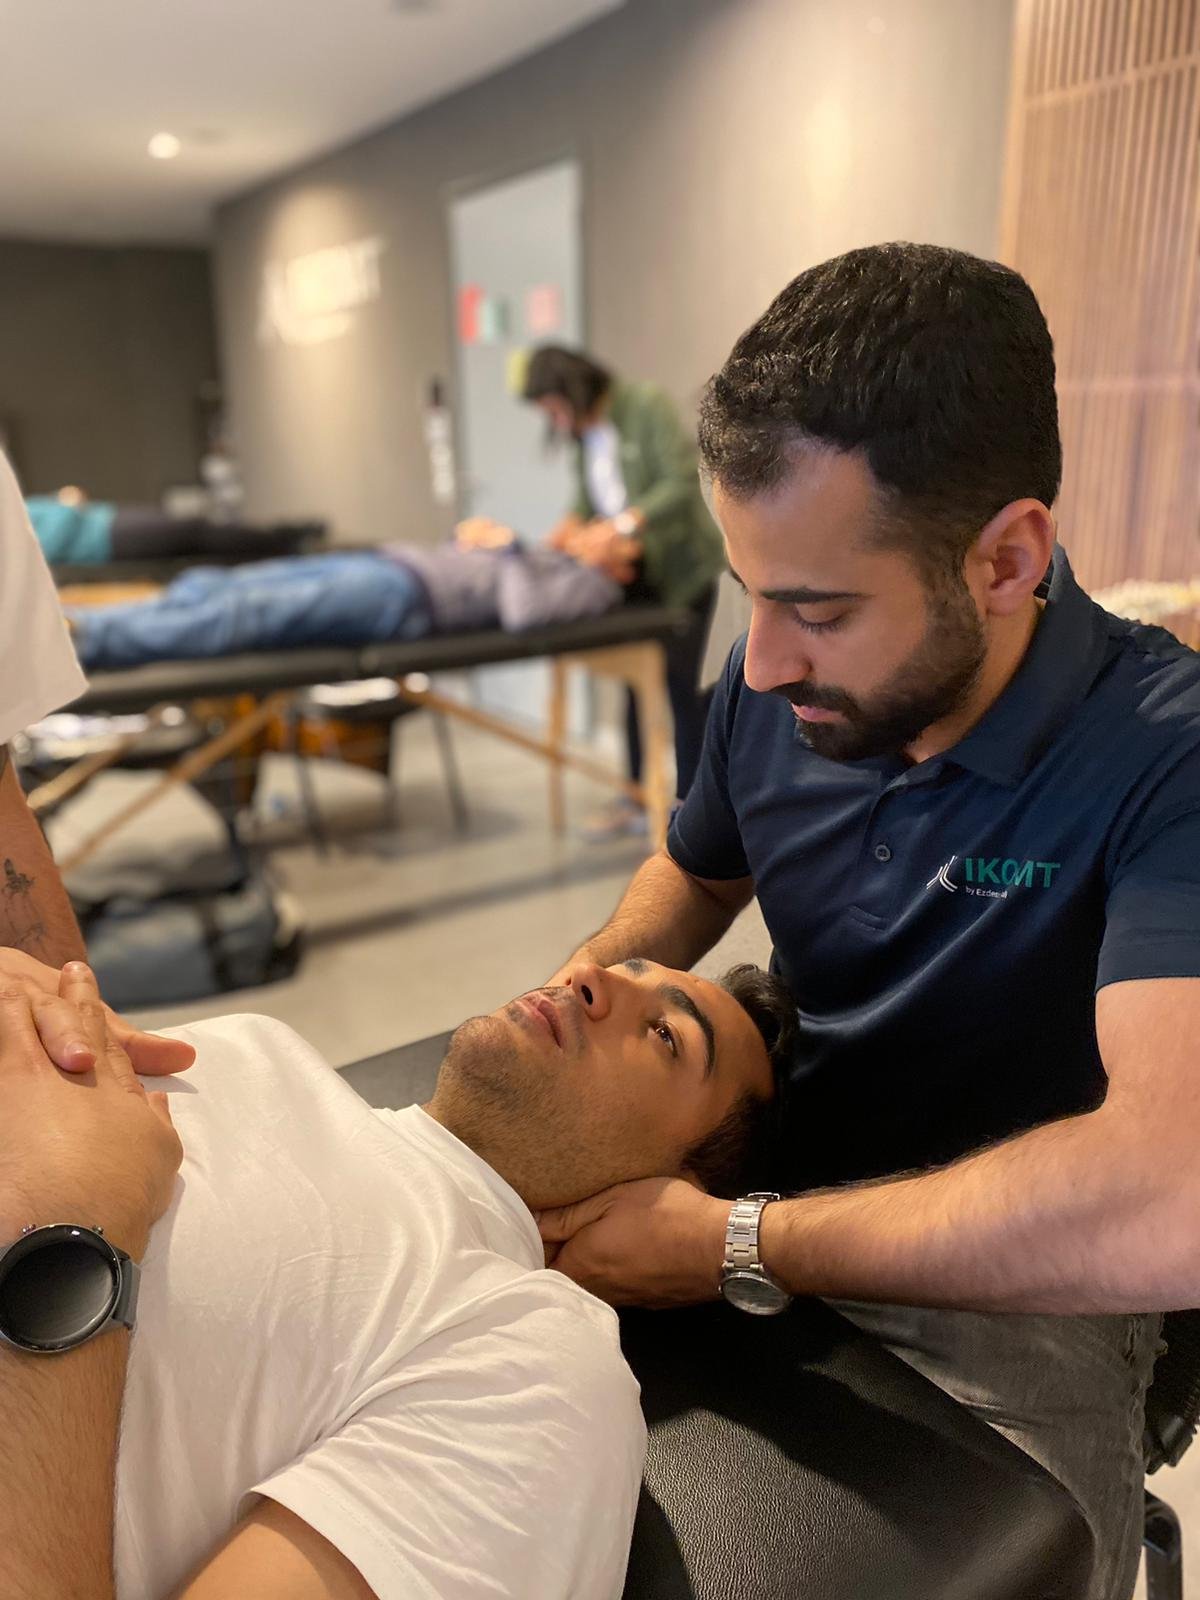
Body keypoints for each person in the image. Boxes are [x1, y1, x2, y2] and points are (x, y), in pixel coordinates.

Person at [534, 243, 1200, 1600]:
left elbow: (1168, 1195)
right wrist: (582, 988)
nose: (763, 664)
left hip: (1027, 1267)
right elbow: (701, 872)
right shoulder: (780, 682)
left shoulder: (1166, 758)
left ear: (1006, 558)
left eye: (819, 610)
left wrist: (732, 1247)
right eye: (750, 595)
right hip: (775, 1162)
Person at [0, 952, 794, 1600]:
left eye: (664, 1036)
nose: (590, 975)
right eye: (623, 968)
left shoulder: (532, 1363)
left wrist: (70, 1234)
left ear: (671, 1198)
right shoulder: (259, 1047)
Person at [519, 346, 726, 834]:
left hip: (682, 574)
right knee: (635, 687)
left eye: (553, 407)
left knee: (683, 690)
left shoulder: (644, 405)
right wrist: (563, 533)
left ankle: (690, 810)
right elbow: (584, 500)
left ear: (571, 388)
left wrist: (621, 526)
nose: (553, 420)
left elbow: (679, 483)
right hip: (637, 580)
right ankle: (634, 797)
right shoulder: (583, 437)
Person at [65, 535, 621, 671]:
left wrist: (509, 548)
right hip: (390, 564)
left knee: (248, 613)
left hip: (405, 599)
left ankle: (90, 640)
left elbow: (522, 613)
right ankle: (90, 622)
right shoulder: (566, 554)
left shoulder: (595, 587)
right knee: (217, 585)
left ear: (626, 565)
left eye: (617, 536)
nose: (603, 530)